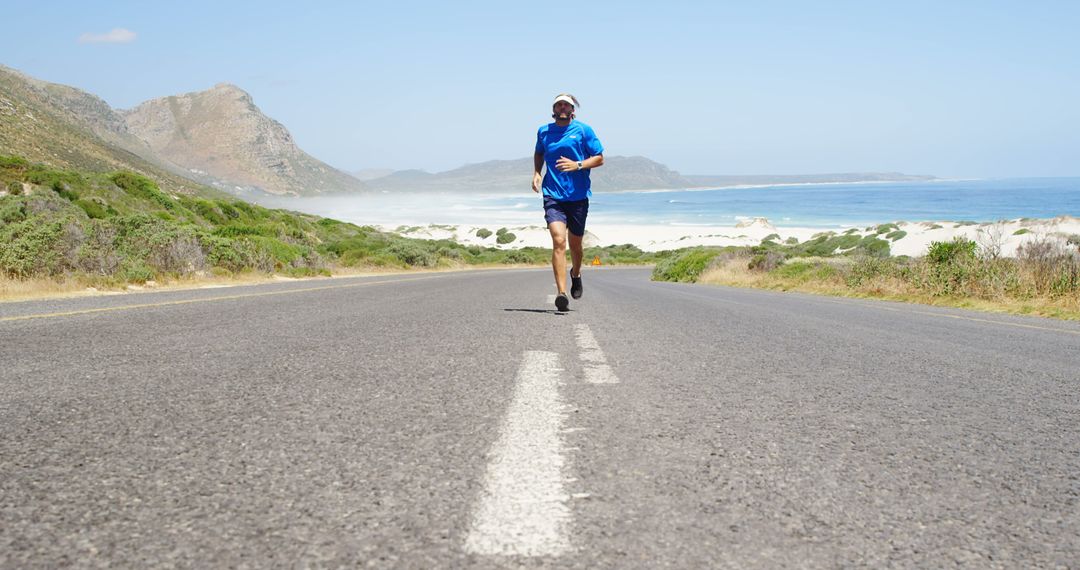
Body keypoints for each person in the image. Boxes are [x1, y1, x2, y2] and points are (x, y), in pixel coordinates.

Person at [532, 93, 604, 312]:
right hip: (552, 194)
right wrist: (537, 172)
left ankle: (576, 273)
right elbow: (539, 153)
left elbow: (599, 157)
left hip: (578, 196)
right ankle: (561, 293)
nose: (562, 108)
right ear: (553, 109)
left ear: (573, 110)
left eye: (566, 105)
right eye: (558, 104)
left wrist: (578, 165)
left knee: (575, 246)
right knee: (558, 241)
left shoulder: (583, 130)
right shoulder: (544, 131)